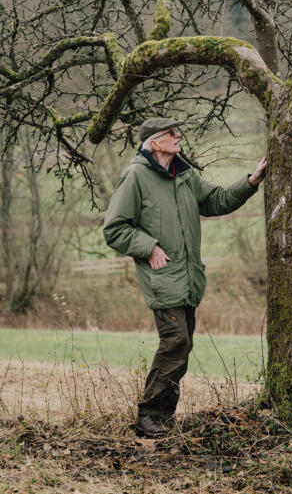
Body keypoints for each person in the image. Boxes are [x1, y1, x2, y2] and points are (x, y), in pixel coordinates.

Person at [103, 117, 266, 437]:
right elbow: (114, 229)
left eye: (177, 131)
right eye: (170, 133)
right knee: (175, 341)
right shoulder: (136, 176)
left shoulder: (185, 174)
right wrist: (148, 247)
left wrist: (251, 182)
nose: (178, 136)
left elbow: (216, 200)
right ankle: (150, 415)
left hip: (189, 277)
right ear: (154, 143)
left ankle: (163, 416)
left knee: (183, 344)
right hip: (162, 276)